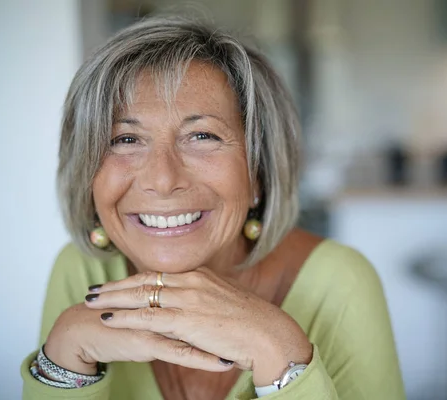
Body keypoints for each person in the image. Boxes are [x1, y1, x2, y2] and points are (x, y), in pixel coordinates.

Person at [20, 16, 405, 400]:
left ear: (258, 171)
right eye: (125, 139)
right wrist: (63, 362)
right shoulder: (82, 271)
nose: (163, 179)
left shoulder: (341, 281)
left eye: (201, 136)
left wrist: (278, 352)